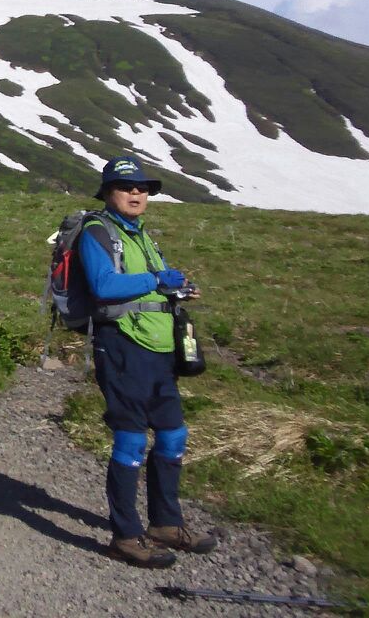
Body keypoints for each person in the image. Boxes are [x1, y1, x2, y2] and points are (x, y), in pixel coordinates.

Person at [79, 155, 218, 568]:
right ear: (108, 192)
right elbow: (103, 285)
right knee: (131, 440)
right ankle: (124, 535)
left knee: (174, 434)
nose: (137, 193)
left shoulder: (142, 236)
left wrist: (178, 292)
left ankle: (165, 524)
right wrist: (158, 281)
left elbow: (150, 288)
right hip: (122, 347)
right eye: (127, 187)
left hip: (159, 351)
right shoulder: (97, 232)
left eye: (143, 188)